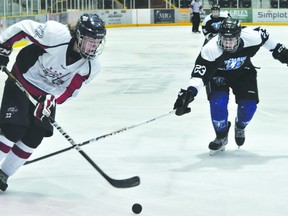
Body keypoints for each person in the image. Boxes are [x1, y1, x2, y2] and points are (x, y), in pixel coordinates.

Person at [0, 13, 106, 191]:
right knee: (13, 128)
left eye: (96, 43)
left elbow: (69, 90)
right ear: (78, 37)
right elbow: (22, 28)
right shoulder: (56, 35)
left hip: (45, 94)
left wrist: (51, 99)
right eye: (89, 41)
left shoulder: (91, 66)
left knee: (35, 135)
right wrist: (3, 48)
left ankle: (4, 173)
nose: (92, 47)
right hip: (22, 79)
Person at [173, 17, 288, 155]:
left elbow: (268, 40)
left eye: (231, 39)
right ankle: (221, 136)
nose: (227, 43)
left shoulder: (252, 37)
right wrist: (189, 94)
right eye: (224, 39)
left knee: (249, 108)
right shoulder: (210, 48)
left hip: (243, 73)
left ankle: (240, 126)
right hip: (218, 75)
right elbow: (199, 75)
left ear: (239, 36)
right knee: (218, 103)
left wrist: (282, 53)